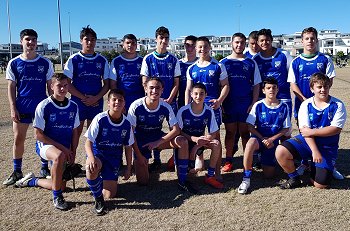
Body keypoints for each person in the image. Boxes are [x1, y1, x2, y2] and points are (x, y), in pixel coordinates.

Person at [15, 73, 80, 211]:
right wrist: (64, 149)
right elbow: (38, 135)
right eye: (59, 86)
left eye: (65, 86)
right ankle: (57, 197)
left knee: (59, 184)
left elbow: (75, 132)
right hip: (46, 146)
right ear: (51, 86)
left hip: (64, 149)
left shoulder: (73, 106)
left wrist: (73, 152)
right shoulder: (44, 105)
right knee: (58, 156)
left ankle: (32, 181)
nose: (62, 89)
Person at [287, 27, 343, 180]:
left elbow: (329, 80)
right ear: (302, 41)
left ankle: (330, 164)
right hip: (302, 105)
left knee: (326, 134)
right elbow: (293, 84)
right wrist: (307, 102)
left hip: (323, 104)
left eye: (312, 38)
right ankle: (305, 163)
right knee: (306, 133)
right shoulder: (296, 61)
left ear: (316, 40)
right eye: (307, 38)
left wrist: (318, 100)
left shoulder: (325, 59)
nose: (310, 41)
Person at [275, 73, 346, 189]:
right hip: (307, 142)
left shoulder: (337, 104)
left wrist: (312, 132)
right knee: (281, 151)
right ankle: (294, 178)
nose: (323, 90)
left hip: (327, 146)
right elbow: (305, 132)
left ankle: (318, 166)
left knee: (321, 185)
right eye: (319, 87)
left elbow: (335, 129)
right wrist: (314, 150)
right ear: (312, 89)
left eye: (326, 87)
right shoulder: (306, 104)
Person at [127, 77, 197, 194]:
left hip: (157, 138)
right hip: (141, 142)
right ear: (145, 89)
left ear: (162, 90)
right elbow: (130, 134)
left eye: (158, 88)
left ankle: (183, 180)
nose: (154, 91)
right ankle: (143, 164)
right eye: (151, 88)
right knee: (143, 182)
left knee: (182, 140)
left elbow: (176, 130)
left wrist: (158, 142)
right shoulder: (136, 106)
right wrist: (138, 155)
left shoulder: (165, 106)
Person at [3, 29, 54, 186]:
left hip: (41, 107)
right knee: (19, 139)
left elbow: (50, 87)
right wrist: (13, 108)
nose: (31, 43)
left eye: (33, 40)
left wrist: (54, 105)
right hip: (22, 106)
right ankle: (17, 171)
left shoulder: (45, 62)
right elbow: (11, 87)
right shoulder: (14, 63)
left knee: (44, 138)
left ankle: (44, 168)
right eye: (27, 40)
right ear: (21, 42)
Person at [237, 77, 291, 194]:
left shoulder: (284, 106)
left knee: (269, 175)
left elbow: (285, 128)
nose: (271, 90)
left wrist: (271, 139)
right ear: (263, 90)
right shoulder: (258, 105)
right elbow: (250, 126)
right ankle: (246, 179)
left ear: (277, 90)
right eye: (268, 88)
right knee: (250, 143)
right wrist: (262, 138)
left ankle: (264, 158)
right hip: (259, 139)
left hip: (272, 143)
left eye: (274, 88)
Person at [85, 89, 133, 215]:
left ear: (124, 104)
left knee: (110, 195)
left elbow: (128, 148)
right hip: (98, 154)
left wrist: (128, 168)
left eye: (120, 100)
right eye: (114, 99)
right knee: (92, 167)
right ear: (108, 103)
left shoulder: (127, 124)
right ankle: (98, 199)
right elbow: (88, 141)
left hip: (114, 159)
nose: (117, 102)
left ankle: (98, 181)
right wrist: (90, 157)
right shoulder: (100, 118)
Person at [185, 36, 230, 173]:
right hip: (195, 108)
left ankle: (216, 171)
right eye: (199, 46)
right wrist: (187, 107)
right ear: (195, 48)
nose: (202, 49)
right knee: (196, 135)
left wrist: (219, 101)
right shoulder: (192, 68)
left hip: (212, 108)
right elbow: (188, 89)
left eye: (205, 46)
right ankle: (197, 163)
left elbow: (226, 85)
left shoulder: (218, 65)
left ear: (210, 48)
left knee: (215, 139)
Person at [140, 26, 181, 171]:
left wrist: (170, 99)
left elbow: (177, 82)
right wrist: (154, 99)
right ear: (156, 39)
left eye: (166, 38)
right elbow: (145, 81)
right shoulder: (148, 58)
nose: (164, 41)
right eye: (161, 38)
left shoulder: (173, 59)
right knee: (153, 129)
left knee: (175, 130)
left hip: (170, 101)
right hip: (153, 102)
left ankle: (177, 160)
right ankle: (156, 160)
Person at [220, 32, 261, 172]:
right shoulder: (223, 63)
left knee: (245, 133)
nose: (239, 45)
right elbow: (220, 85)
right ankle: (229, 160)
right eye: (236, 42)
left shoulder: (251, 62)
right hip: (229, 104)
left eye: (242, 42)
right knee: (230, 133)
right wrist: (221, 102)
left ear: (245, 44)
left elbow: (256, 85)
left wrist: (253, 103)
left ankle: (247, 161)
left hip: (245, 104)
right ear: (231, 43)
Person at [64, 26, 109, 146]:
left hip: (96, 102)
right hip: (78, 102)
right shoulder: (73, 59)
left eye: (93, 39)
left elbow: (107, 84)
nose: (90, 42)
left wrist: (96, 98)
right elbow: (67, 83)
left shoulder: (102, 60)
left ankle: (92, 161)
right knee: (76, 133)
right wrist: (83, 98)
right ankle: (71, 162)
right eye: (86, 39)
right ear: (81, 41)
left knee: (94, 133)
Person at [177, 83, 223, 189]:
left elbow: (213, 132)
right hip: (185, 141)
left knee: (216, 144)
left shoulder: (208, 110)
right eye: (196, 94)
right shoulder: (183, 110)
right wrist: (193, 139)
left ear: (206, 95)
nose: (198, 97)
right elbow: (178, 131)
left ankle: (210, 176)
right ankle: (184, 164)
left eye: (201, 94)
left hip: (200, 141)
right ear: (191, 94)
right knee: (188, 175)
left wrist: (201, 142)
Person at [167, 35, 198, 171]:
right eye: (187, 45)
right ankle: (177, 160)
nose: (190, 48)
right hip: (182, 104)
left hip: (198, 104)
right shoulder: (178, 63)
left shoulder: (200, 63)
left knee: (197, 131)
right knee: (180, 133)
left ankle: (197, 158)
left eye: (192, 45)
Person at [110, 34, 144, 111]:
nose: (130, 45)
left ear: (136, 45)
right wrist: (119, 102)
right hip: (122, 100)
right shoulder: (116, 61)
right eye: (128, 43)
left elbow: (146, 82)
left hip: (139, 100)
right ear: (123, 44)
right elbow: (113, 84)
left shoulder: (143, 61)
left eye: (133, 43)